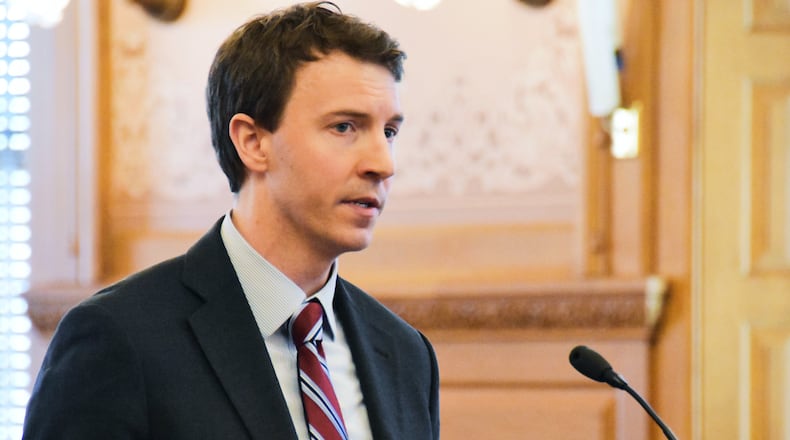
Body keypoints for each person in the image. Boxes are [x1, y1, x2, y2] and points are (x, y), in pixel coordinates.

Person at [22, 2, 440, 439]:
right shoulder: (119, 338)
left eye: (389, 132)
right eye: (344, 127)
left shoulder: (406, 353)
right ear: (253, 142)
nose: (382, 163)